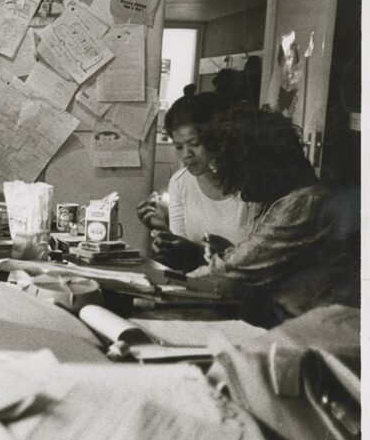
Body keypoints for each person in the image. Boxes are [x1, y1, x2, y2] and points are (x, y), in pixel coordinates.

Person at [189, 106, 359, 326]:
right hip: (292, 319)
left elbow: (232, 270)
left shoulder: (304, 201)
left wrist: (164, 283)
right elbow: (255, 257)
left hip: (304, 327)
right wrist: (230, 251)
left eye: (238, 174)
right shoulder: (290, 197)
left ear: (261, 166)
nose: (241, 191)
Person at [136, 93, 260, 271]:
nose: (186, 154)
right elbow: (183, 254)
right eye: (179, 146)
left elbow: (256, 258)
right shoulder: (180, 183)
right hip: (198, 284)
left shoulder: (251, 185)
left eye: (194, 144)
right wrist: (163, 232)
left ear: (215, 139)